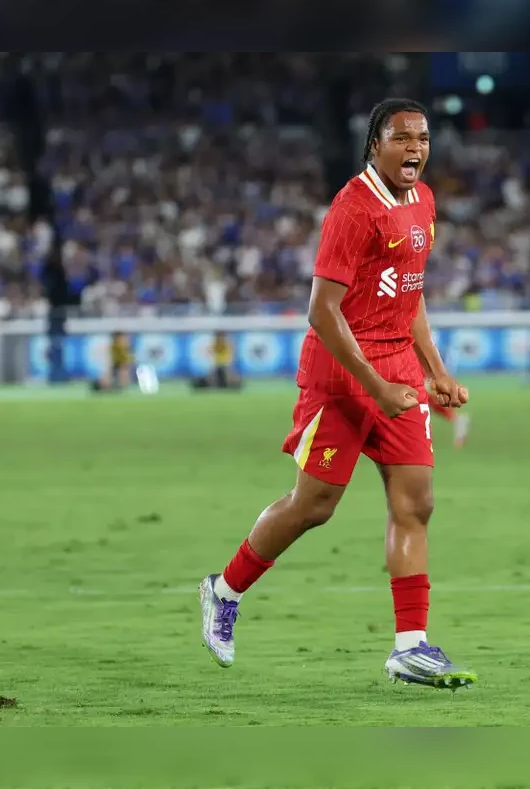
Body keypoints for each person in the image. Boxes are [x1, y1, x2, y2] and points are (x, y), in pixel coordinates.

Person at [198, 99, 476, 689]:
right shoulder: (353, 209)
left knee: (415, 502)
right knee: (314, 506)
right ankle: (224, 590)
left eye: (423, 138)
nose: (415, 148)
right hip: (342, 375)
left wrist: (435, 370)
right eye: (402, 138)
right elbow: (322, 312)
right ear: (375, 143)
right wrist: (376, 386)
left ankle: (410, 648)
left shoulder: (423, 202)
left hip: (397, 369)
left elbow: (409, 294)